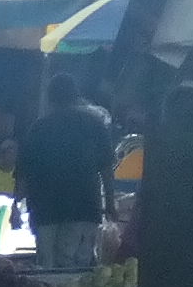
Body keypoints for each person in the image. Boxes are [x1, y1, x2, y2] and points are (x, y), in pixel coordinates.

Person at [17, 75, 118, 272]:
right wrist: (111, 203)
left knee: (47, 268)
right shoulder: (95, 125)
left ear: (50, 98)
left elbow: (24, 171)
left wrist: (15, 204)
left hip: (46, 210)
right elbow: (106, 169)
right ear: (76, 96)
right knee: (76, 271)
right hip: (84, 207)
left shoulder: (39, 127)